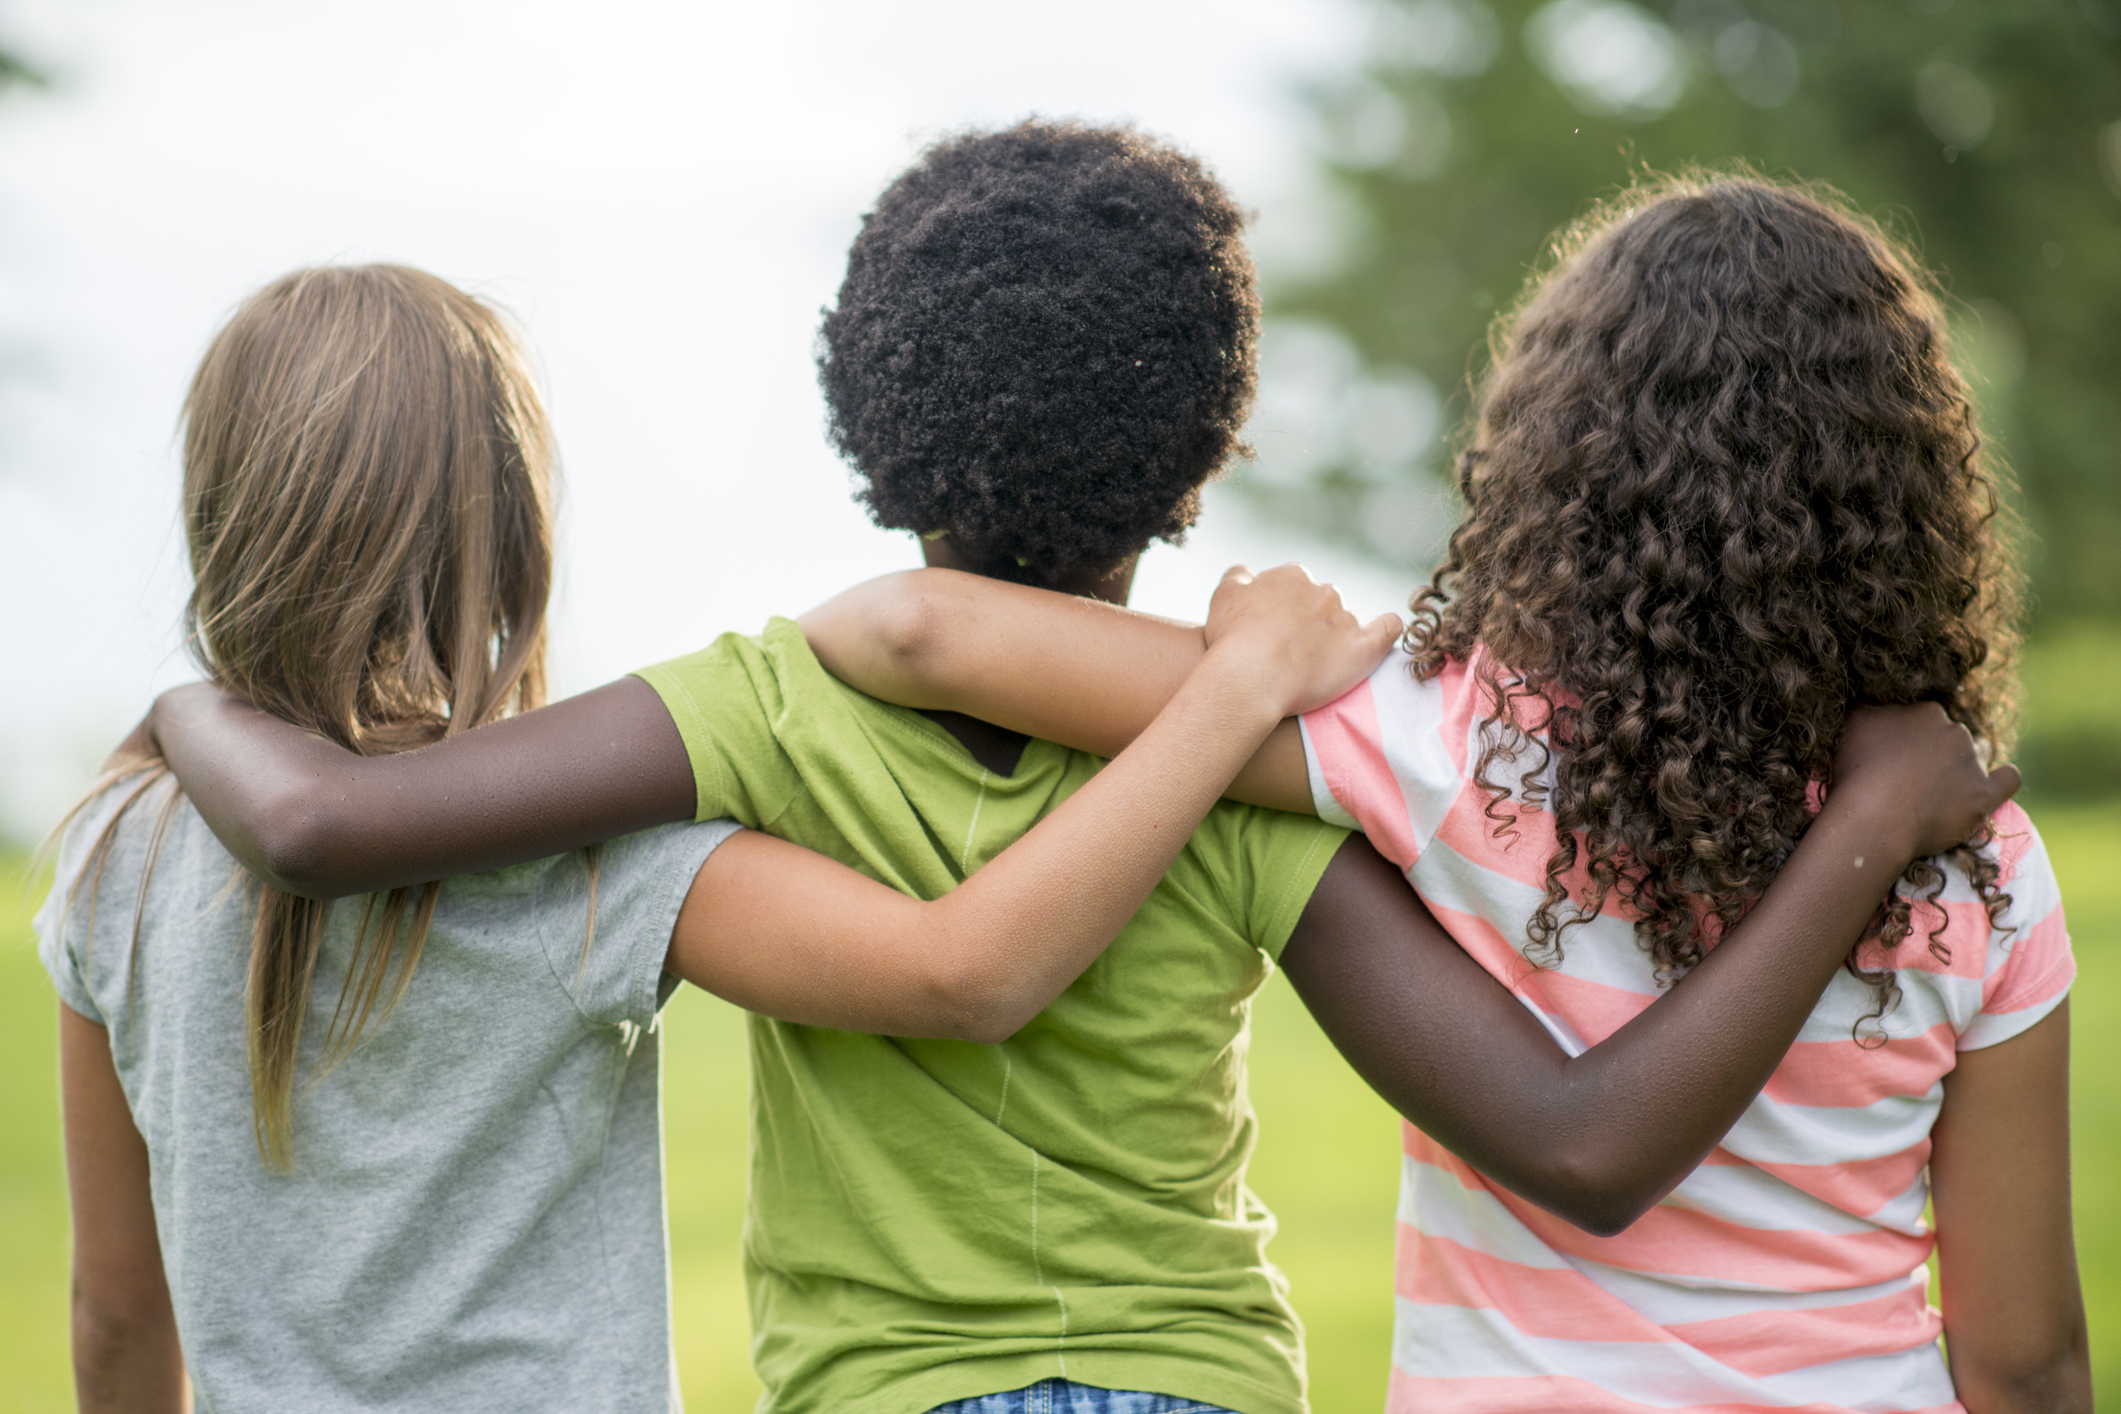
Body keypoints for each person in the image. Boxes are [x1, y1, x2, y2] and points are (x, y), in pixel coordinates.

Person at [143, 136, 2015, 1414]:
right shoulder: (1261, 758)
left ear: (866, 412)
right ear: (1203, 454)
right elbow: (1565, 1124)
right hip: (1193, 1372)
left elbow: (341, 822)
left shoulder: (769, 708)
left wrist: (187, 706)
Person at [798, 175, 2090, 1413]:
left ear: (1560, 470)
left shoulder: (1447, 746)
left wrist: (1252, 665)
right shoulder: (1978, 860)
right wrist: (1870, 830)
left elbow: (920, 625)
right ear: (1904, 501)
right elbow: (2024, 1362)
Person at [38, 263, 1404, 1413]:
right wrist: (1230, 689)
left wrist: (177, 700)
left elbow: (112, 1310)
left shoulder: (112, 856)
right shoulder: (591, 862)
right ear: (511, 532)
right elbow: (957, 967)